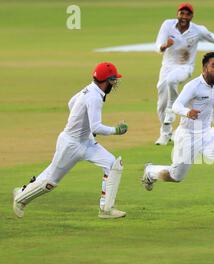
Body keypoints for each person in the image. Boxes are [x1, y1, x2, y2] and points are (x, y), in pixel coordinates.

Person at [12, 62, 129, 219]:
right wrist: (116, 130)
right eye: (112, 80)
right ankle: (20, 198)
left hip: (86, 142)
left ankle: (106, 209)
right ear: (104, 80)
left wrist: (82, 126)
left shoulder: (89, 89)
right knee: (50, 181)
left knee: (112, 164)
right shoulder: (94, 97)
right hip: (71, 144)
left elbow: (71, 103)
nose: (114, 83)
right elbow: (96, 127)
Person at [142, 52, 214, 214]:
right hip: (187, 135)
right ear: (204, 68)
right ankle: (150, 171)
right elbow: (176, 106)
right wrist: (187, 112)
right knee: (176, 176)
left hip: (206, 134)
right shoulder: (193, 86)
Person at [154, 2, 214, 145]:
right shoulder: (167, 25)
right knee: (160, 104)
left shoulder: (198, 30)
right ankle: (165, 133)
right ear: (177, 14)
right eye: (182, 13)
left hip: (184, 67)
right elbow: (158, 46)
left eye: (187, 14)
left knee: (171, 81)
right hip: (167, 66)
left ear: (192, 16)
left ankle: (172, 108)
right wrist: (164, 46)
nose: (184, 16)